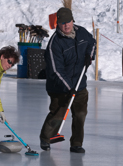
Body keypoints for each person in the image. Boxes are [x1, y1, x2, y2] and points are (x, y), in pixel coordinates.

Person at [40, 7, 96, 153]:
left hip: (79, 84)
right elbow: (56, 70)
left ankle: (76, 143)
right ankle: (46, 139)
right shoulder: (55, 44)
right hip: (59, 87)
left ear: (73, 20)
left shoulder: (82, 32)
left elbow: (92, 43)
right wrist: (68, 87)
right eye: (63, 23)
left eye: (69, 21)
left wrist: (89, 56)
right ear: (58, 23)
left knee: (80, 114)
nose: (66, 25)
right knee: (58, 113)